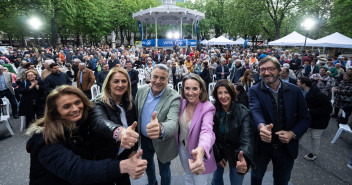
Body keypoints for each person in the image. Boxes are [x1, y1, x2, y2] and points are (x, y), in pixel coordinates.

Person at [26, 85, 147, 185]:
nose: (75, 109)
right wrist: (122, 166)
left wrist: (122, 135)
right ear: (55, 112)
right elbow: (76, 169)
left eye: (77, 102)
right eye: (67, 106)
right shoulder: (44, 138)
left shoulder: (80, 124)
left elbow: (100, 122)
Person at [249, 56, 311, 185]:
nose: (266, 73)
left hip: (286, 147)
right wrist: (261, 127)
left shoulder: (295, 90)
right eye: (262, 69)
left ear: (279, 70)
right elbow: (255, 110)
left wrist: (292, 133)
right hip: (261, 146)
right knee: (256, 178)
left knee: (282, 181)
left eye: (270, 68)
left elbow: (305, 119)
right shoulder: (254, 91)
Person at [89, 67, 139, 185]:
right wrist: (119, 132)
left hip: (123, 156)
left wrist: (133, 149)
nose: (120, 85)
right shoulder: (98, 102)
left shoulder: (129, 102)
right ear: (108, 84)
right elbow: (100, 122)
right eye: (116, 81)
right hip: (105, 157)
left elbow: (134, 127)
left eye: (124, 81)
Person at [135, 64, 181, 185]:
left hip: (163, 141)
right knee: (148, 166)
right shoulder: (141, 90)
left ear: (168, 80)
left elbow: (173, 122)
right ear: (150, 77)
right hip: (145, 139)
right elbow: (135, 112)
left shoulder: (174, 97)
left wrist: (160, 128)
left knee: (164, 170)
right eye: (155, 77)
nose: (158, 81)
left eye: (162, 78)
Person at [211, 79, 254, 185]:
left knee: (236, 182)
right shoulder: (212, 111)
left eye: (226, 92)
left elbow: (247, 138)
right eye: (220, 93)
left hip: (237, 152)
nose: (223, 96)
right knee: (216, 180)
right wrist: (218, 155)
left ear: (232, 93)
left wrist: (243, 157)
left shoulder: (243, 112)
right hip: (220, 150)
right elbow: (211, 135)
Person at [176, 74, 216, 185]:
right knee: (188, 176)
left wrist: (201, 149)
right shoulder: (181, 102)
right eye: (187, 88)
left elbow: (207, 131)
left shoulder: (207, 107)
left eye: (195, 88)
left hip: (198, 152)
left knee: (199, 182)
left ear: (201, 90)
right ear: (183, 89)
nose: (190, 92)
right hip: (183, 148)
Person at [297, 77, 332, 161]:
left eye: (298, 82)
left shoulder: (319, 95)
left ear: (303, 84)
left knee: (315, 137)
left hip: (319, 121)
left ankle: (313, 154)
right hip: (308, 119)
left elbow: (328, 109)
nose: (296, 84)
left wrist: (309, 110)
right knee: (300, 131)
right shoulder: (302, 91)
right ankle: (294, 144)